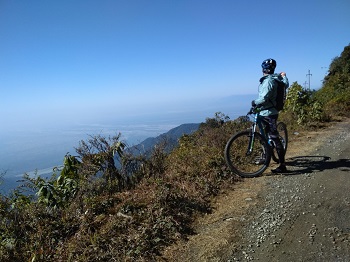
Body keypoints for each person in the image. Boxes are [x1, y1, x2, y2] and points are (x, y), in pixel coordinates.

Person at [252, 58, 289, 173]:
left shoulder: (268, 81)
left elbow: (264, 97)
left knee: (274, 137)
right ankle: (266, 155)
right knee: (264, 135)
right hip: (267, 112)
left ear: (263, 69)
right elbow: (286, 85)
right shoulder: (277, 78)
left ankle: (282, 165)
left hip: (269, 113)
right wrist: (284, 76)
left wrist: (254, 102)